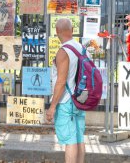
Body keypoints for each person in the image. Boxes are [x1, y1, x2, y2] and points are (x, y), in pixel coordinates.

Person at [46, 18, 86, 163]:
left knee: (70, 141)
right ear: (72, 31)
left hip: (66, 101)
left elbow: (61, 82)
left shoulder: (63, 52)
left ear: (57, 32)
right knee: (79, 138)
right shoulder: (81, 48)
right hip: (80, 99)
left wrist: (52, 107)